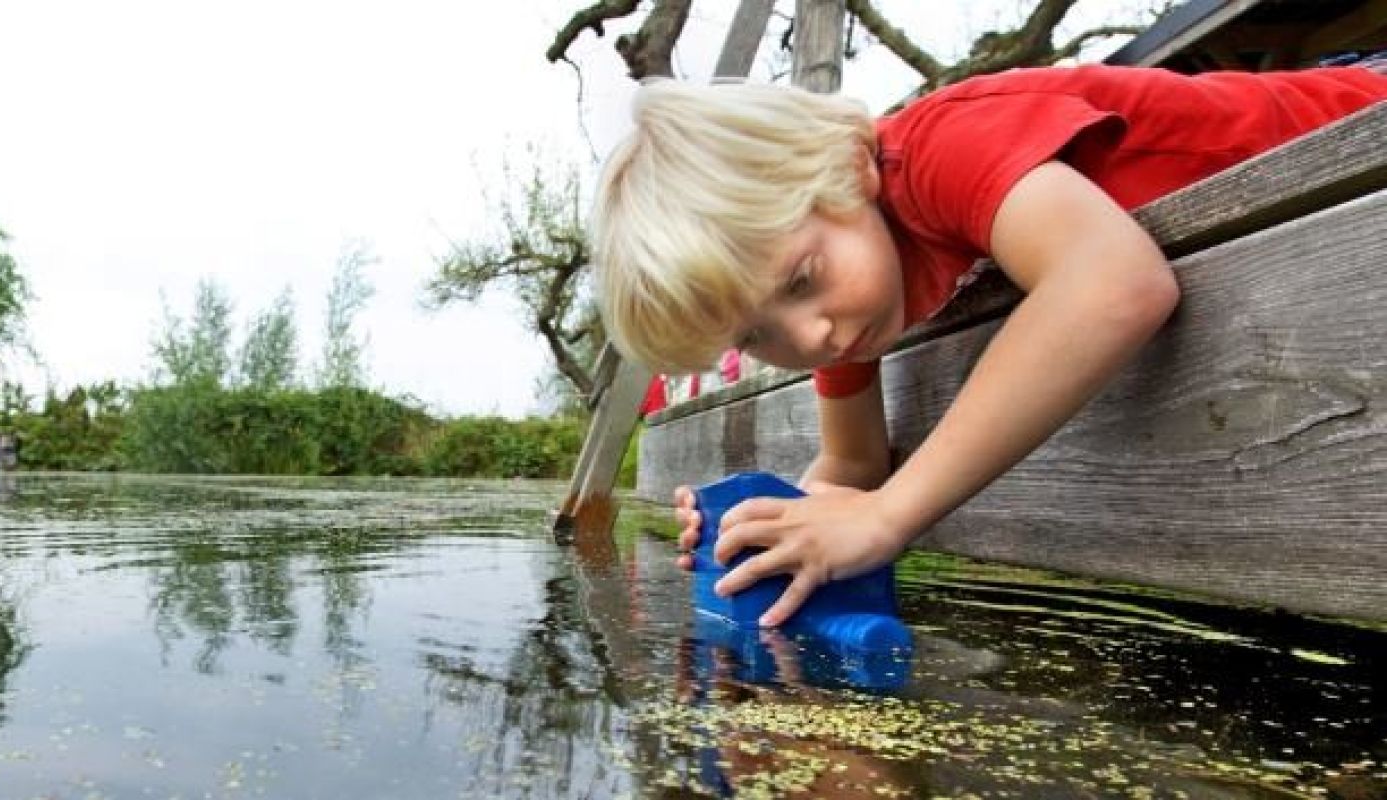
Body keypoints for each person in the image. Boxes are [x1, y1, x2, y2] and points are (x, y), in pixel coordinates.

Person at [590, 62, 1387, 628]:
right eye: (755, 335)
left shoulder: (943, 144)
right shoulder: (852, 308)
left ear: (840, 171)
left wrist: (890, 517)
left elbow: (1112, 283)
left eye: (800, 280)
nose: (811, 335)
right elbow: (851, 470)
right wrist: (766, 535)